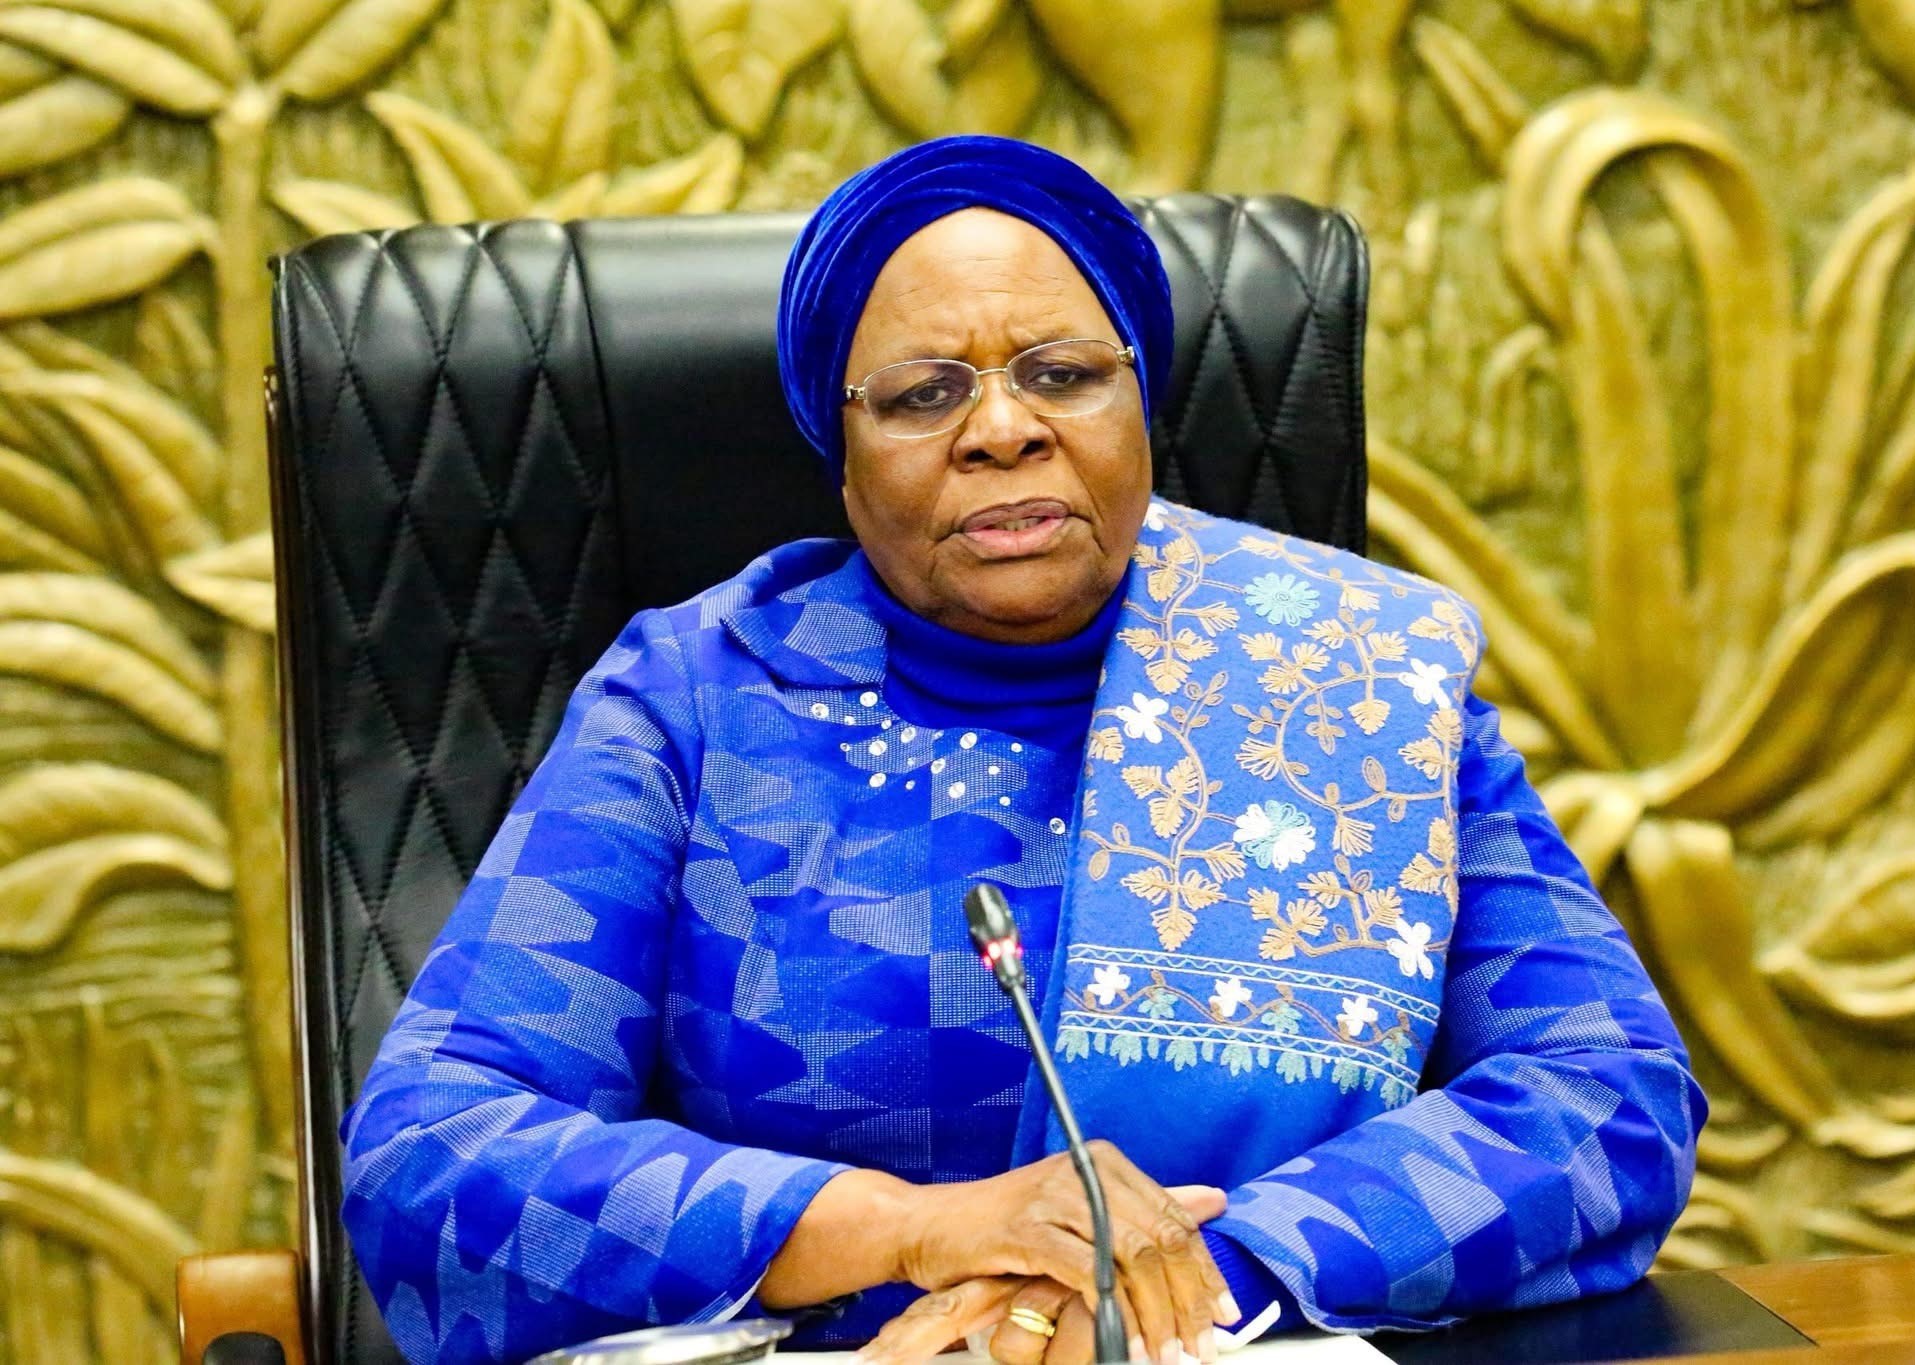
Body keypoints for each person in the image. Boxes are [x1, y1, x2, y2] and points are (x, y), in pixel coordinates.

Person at [339, 135, 1706, 1365]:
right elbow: (434, 1146)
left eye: (1064, 375)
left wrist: (1206, 1275)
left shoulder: (1351, 674)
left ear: (1140, 403)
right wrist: (906, 1229)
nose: (1004, 429)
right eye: (923, 395)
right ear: (842, 453)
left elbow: (1605, 1094)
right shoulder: (694, 699)